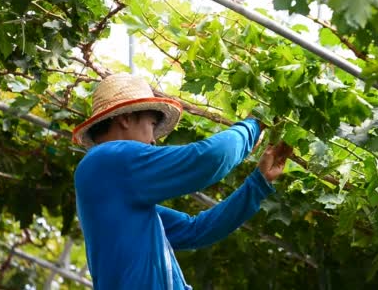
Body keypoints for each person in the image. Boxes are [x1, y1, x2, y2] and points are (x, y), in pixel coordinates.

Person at [72, 73, 292, 290]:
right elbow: (209, 158)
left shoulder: (116, 187)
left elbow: (196, 230)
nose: (153, 140)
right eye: (151, 124)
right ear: (125, 118)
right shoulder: (107, 160)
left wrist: (258, 183)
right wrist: (252, 126)